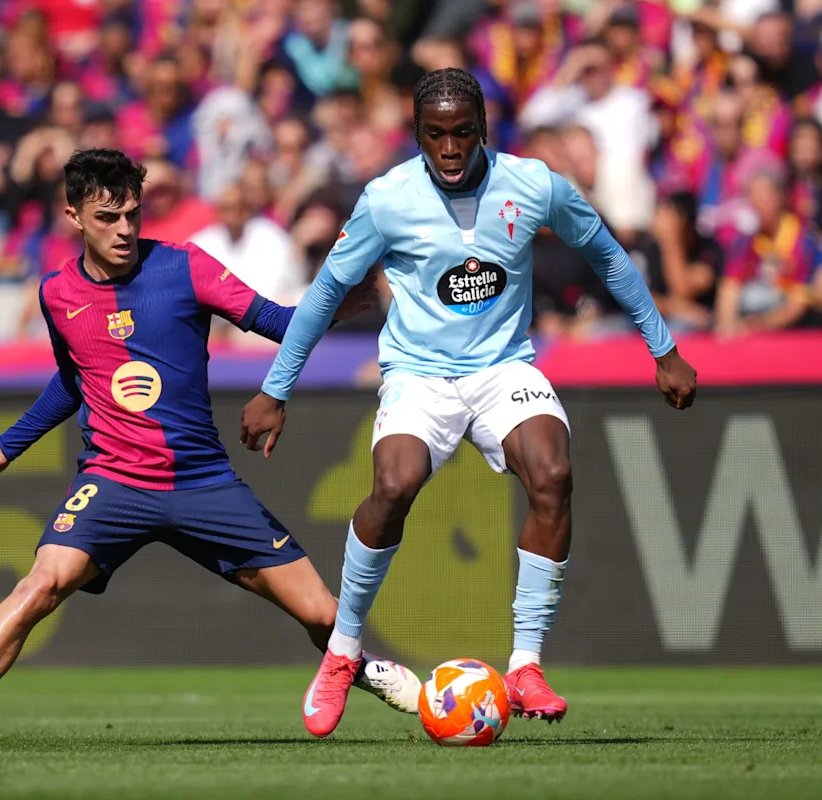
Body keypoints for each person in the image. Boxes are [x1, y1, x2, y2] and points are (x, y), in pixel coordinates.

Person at [0, 149, 419, 751]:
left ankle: (366, 670)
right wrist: (12, 442)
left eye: (132, 215)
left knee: (322, 615)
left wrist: (350, 301)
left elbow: (277, 321)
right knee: (40, 584)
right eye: (107, 217)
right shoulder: (58, 294)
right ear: (74, 216)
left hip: (202, 482)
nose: (123, 230)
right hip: (113, 482)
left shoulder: (184, 266)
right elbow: (73, 379)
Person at [240, 68, 697, 739]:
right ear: (417, 133)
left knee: (554, 474)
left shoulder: (532, 184)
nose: (449, 147)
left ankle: (525, 666)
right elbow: (325, 294)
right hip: (419, 375)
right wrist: (276, 389)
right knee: (392, 487)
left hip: (503, 367)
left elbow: (608, 255)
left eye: (461, 132)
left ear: (482, 127)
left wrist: (662, 349)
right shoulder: (387, 199)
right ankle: (341, 654)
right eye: (435, 134)